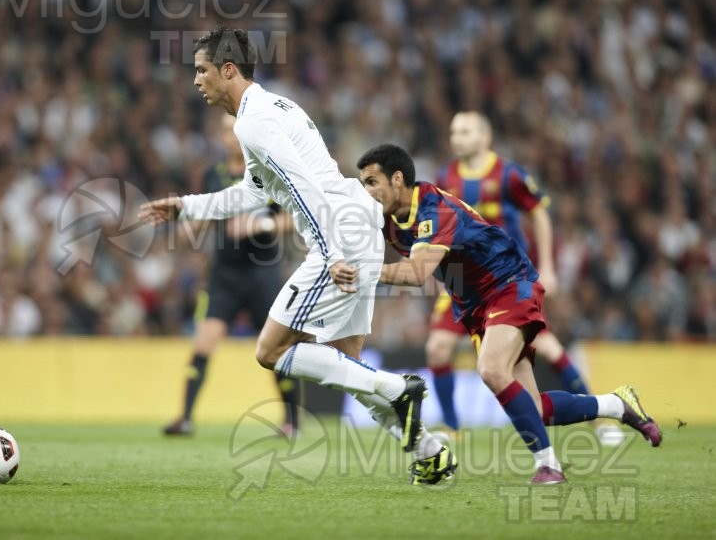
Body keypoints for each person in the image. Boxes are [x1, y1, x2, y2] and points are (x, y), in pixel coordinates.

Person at [140, 27, 454, 485]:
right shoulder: (269, 107)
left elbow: (303, 185)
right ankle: (428, 449)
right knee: (347, 365)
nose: (196, 80)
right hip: (354, 218)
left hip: (338, 233)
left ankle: (396, 386)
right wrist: (187, 205)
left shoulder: (253, 121)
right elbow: (252, 191)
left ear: (228, 71)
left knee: (270, 350)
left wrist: (331, 254)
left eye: (201, 70)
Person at [357, 143, 661, 484]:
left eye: (371, 181)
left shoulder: (434, 209)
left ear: (397, 179)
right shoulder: (385, 217)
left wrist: (362, 269)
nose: (366, 191)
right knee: (536, 409)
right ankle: (617, 405)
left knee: (491, 368)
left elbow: (416, 274)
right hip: (473, 305)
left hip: (508, 283)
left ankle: (549, 466)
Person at [428, 111, 622, 442]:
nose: (456, 137)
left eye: (465, 131)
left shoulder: (508, 175)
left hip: (507, 280)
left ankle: (601, 420)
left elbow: (539, 214)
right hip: (462, 281)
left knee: (547, 347)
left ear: (485, 137)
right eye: (453, 131)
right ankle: (452, 427)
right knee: (437, 348)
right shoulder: (446, 177)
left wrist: (547, 264)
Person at [163, 114, 301, 437]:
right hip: (224, 274)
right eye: (226, 132)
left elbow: (294, 218)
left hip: (263, 272)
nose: (232, 137)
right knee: (203, 342)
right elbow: (207, 212)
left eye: (236, 131)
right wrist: (188, 227)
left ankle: (292, 421)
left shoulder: (269, 172)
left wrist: (261, 224)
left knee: (276, 350)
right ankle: (184, 418)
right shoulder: (213, 174)